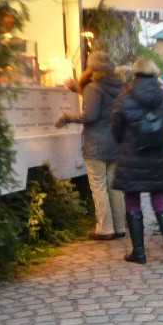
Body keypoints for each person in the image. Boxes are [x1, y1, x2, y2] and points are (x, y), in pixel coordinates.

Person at [110, 57, 163, 264]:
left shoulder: (125, 98)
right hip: (157, 156)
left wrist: (126, 143)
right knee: (160, 200)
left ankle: (139, 252)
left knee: (132, 200)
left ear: (135, 73)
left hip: (131, 155)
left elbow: (115, 128)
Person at [56, 51, 126, 241]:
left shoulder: (93, 87)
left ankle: (105, 229)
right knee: (114, 186)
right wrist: (77, 89)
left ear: (91, 69)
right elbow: (103, 104)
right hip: (115, 141)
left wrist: (67, 117)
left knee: (98, 186)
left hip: (96, 143)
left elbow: (90, 115)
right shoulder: (119, 87)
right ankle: (120, 227)